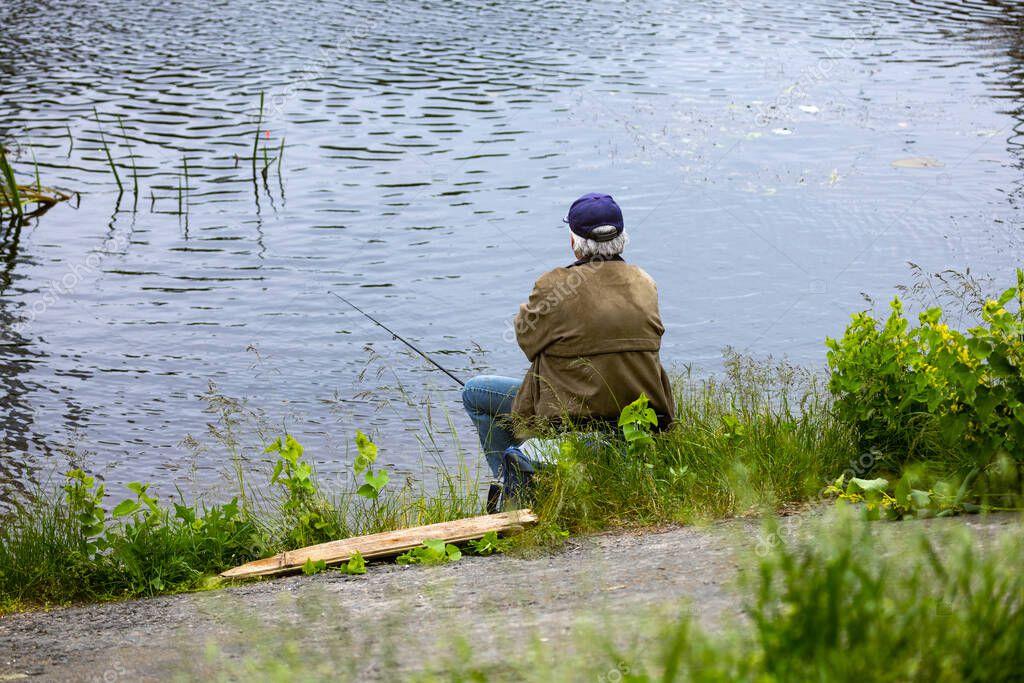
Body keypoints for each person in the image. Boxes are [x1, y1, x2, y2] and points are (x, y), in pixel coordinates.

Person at [462, 193, 675, 493]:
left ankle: (513, 485)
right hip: (638, 421)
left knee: (474, 392)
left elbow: (526, 340)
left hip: (572, 420)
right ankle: (530, 470)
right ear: (622, 239)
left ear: (574, 242)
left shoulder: (554, 285)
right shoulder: (645, 283)